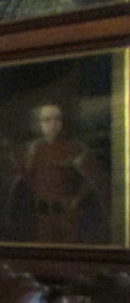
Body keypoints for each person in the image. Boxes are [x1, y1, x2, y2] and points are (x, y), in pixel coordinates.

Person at [7, 102, 109, 244]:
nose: (53, 124)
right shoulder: (29, 150)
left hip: (68, 216)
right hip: (40, 217)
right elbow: (20, 176)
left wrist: (77, 200)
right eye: (47, 120)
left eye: (57, 119)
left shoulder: (75, 148)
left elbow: (95, 177)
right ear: (38, 124)